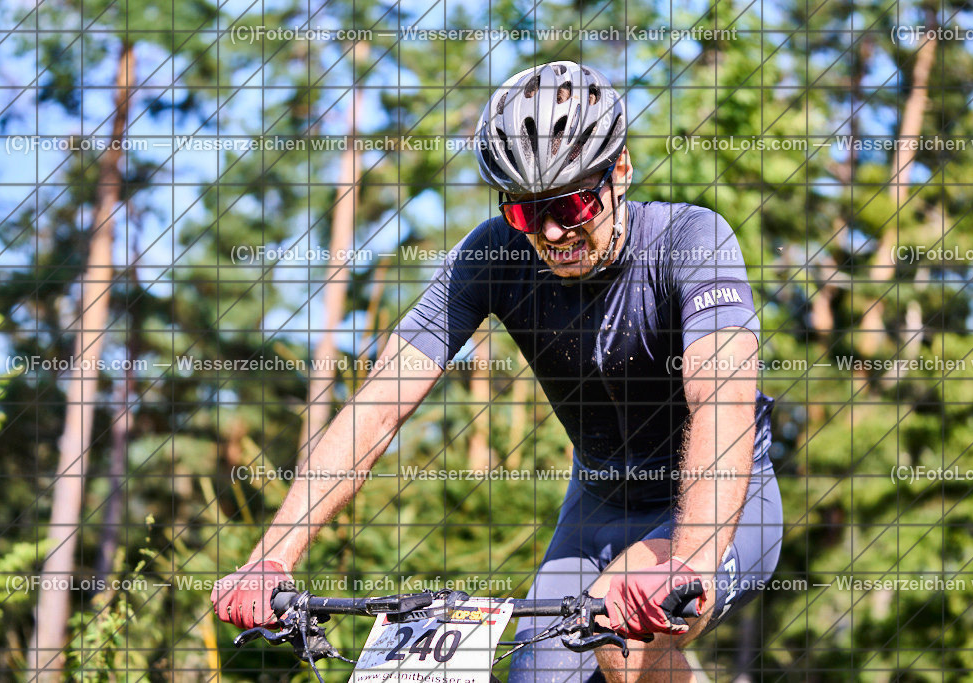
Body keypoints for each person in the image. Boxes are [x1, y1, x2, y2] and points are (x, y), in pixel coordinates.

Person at [211, 60, 782, 682]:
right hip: (594, 505)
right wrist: (271, 558)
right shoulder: (492, 255)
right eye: (526, 213)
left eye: (571, 202)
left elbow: (722, 403)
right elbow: (378, 405)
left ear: (620, 171)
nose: (554, 230)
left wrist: (689, 559)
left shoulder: (692, 240)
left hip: (724, 500)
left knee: (626, 639)